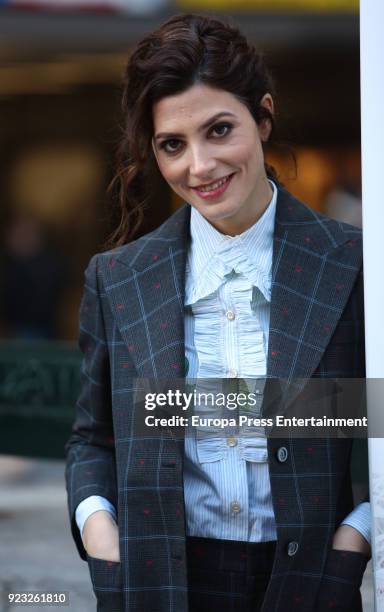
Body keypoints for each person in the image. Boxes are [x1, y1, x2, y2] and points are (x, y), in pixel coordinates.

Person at [65, 13, 371, 612]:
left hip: (311, 581)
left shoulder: (355, 263)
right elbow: (92, 438)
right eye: (172, 145)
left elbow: (378, 416)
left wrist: (355, 535)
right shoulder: (117, 277)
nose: (199, 167)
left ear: (262, 116)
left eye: (220, 130)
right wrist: (102, 534)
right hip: (158, 582)